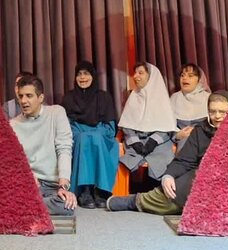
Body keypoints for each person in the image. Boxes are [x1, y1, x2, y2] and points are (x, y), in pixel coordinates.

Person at [107, 91, 228, 217]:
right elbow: (184, 160)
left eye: (223, 112)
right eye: (213, 111)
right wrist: (168, 175)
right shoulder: (201, 131)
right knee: (167, 200)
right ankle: (133, 201)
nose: (217, 117)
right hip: (199, 180)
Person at [10, 75, 77, 215]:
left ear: (40, 98)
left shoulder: (57, 113)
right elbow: (13, 160)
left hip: (53, 186)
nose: (23, 101)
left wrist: (63, 187)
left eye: (29, 96)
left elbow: (64, 149)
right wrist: (26, 176)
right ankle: (28, 206)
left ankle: (22, 208)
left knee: (65, 205)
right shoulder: (13, 124)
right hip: (27, 184)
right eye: (21, 96)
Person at [61, 61, 118, 208]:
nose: (82, 77)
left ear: (93, 76)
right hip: (76, 132)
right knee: (83, 139)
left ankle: (99, 190)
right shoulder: (69, 98)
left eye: (86, 74)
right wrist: (84, 133)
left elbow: (110, 128)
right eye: (79, 74)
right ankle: (84, 190)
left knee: (95, 139)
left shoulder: (104, 97)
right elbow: (65, 126)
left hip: (100, 132)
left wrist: (94, 133)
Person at [118, 62, 178, 181]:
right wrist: (135, 142)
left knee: (161, 156)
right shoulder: (133, 96)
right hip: (136, 141)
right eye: (135, 73)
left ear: (151, 76)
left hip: (158, 142)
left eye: (140, 73)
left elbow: (167, 126)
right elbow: (127, 125)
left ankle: (159, 187)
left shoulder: (161, 98)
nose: (135, 76)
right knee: (131, 157)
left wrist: (153, 141)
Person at [169, 62, 211, 145]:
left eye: (190, 76)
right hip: (182, 142)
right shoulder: (174, 98)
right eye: (182, 75)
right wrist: (177, 136)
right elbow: (168, 126)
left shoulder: (208, 98)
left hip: (205, 141)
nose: (184, 78)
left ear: (199, 80)